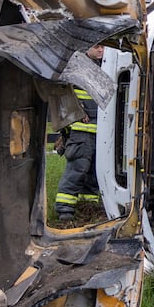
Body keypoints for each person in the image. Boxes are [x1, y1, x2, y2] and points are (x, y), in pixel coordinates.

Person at [54, 44, 104, 223]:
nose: (101, 50)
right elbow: (61, 92)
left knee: (94, 171)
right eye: (98, 47)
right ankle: (64, 211)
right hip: (81, 131)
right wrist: (76, 110)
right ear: (86, 47)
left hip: (101, 132)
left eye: (104, 47)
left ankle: (88, 206)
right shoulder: (75, 66)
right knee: (78, 168)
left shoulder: (104, 66)